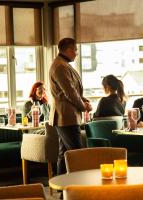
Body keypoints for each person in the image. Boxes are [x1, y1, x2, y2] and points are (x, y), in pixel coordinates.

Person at [49, 37, 92, 175]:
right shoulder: (60, 66)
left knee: (64, 153)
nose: (76, 53)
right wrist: (83, 106)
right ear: (68, 50)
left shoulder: (62, 64)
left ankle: (63, 191)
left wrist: (84, 100)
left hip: (65, 116)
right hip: (66, 116)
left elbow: (71, 90)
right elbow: (70, 92)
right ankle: (77, 189)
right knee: (76, 154)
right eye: (75, 50)